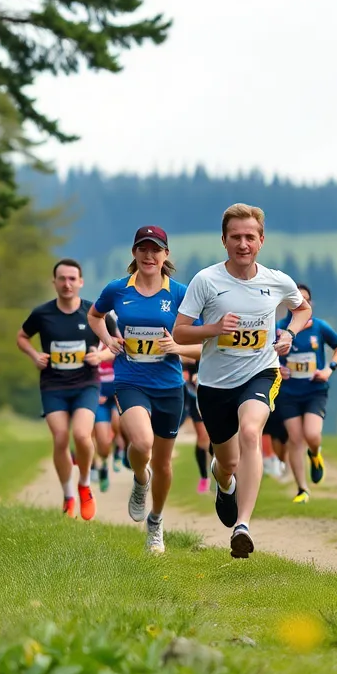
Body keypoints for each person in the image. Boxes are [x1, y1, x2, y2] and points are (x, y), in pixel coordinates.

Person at [174, 203, 310, 558]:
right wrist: (214, 329)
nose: (243, 244)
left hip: (260, 372)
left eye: (250, 236)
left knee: (251, 432)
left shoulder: (277, 281)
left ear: (261, 240)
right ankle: (224, 484)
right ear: (224, 240)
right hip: (215, 385)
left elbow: (302, 308)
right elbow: (180, 332)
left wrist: (290, 333)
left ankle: (243, 526)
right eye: (235, 237)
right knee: (227, 463)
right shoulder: (206, 281)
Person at [89, 226, 201, 554]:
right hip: (130, 379)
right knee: (141, 443)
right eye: (143, 249)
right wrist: (108, 339)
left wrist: (178, 348)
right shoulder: (117, 289)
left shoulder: (180, 294)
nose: (149, 255)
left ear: (166, 255)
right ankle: (140, 478)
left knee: (163, 464)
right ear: (134, 253)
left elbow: (205, 345)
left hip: (169, 386)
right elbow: (95, 315)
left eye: (155, 249)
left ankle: (156, 521)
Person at [17, 259, 113, 520]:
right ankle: (68, 495)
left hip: (86, 384)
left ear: (81, 282)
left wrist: (101, 355)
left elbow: (116, 343)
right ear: (54, 282)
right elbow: (21, 337)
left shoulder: (93, 313)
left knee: (82, 435)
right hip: (54, 385)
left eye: (72, 279)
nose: (67, 284)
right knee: (60, 438)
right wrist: (34, 355)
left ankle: (84, 485)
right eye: (62, 279)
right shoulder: (42, 314)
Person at [275, 284, 337, 503]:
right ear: (288, 302)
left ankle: (314, 453)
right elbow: (263, 353)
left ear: (310, 303)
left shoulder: (320, 327)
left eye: (305, 299)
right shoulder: (278, 328)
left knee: (312, 434)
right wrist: (276, 368)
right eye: (296, 299)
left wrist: (329, 369)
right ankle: (302, 489)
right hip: (288, 393)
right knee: (295, 439)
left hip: (315, 390)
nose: (300, 303)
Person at [182, 359, 213, 493]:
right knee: (203, 437)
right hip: (195, 393)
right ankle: (204, 477)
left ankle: (222, 474)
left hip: (217, 388)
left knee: (218, 436)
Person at [93, 336, 119, 493]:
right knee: (102, 443)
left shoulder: (117, 340)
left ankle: (120, 451)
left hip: (117, 394)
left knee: (118, 424)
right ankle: (103, 465)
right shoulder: (89, 342)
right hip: (99, 396)